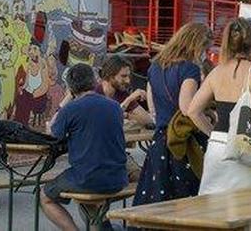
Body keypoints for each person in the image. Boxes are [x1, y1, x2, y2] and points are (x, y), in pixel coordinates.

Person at [187, 17, 251, 195]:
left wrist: (212, 134)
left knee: (213, 204)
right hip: (246, 147)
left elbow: (193, 111)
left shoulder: (216, 72)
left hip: (217, 146)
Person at [132, 21, 212, 207]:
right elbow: (187, 109)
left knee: (159, 202)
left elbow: (153, 109)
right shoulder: (189, 69)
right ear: (196, 45)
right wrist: (211, 132)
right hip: (184, 143)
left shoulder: (154, 67)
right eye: (205, 49)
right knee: (188, 202)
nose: (205, 54)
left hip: (160, 141)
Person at [41, 63, 127, 231]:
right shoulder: (114, 106)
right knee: (86, 199)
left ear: (70, 88)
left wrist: (64, 103)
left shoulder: (70, 109)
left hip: (87, 178)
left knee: (45, 196)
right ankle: (101, 227)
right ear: (94, 82)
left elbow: (53, 135)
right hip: (118, 177)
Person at [98, 55, 153, 128]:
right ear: (110, 76)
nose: (128, 81)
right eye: (123, 76)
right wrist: (128, 100)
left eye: (128, 76)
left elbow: (148, 120)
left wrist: (126, 115)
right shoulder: (94, 93)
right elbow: (105, 120)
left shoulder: (121, 93)